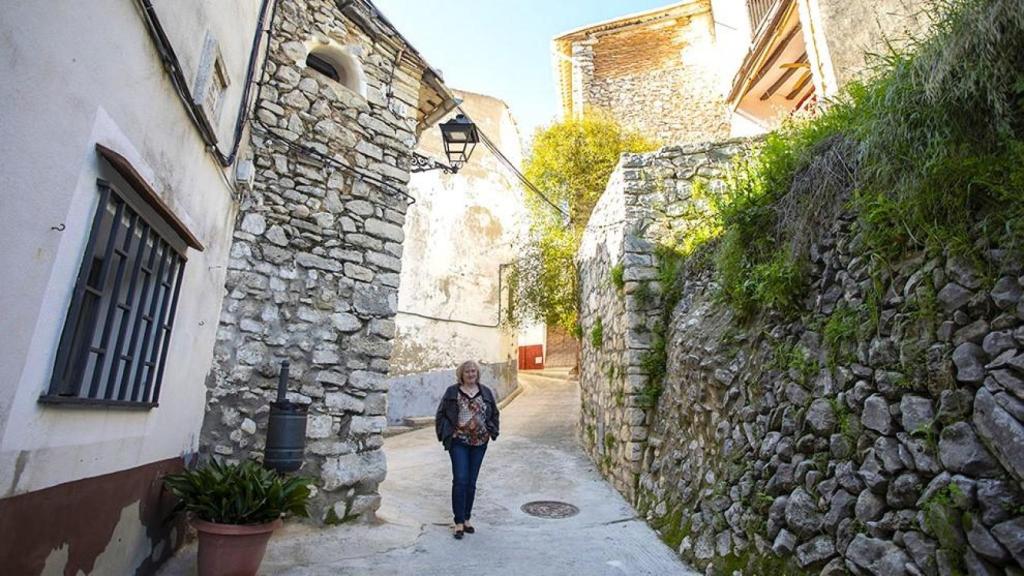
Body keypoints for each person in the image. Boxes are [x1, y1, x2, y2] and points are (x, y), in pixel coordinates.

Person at [434, 360, 500, 539]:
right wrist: (448, 434)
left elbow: (494, 413)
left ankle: (467, 518)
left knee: (471, 482)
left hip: (480, 442)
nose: (471, 374)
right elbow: (441, 415)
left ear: (477, 374)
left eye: (473, 371)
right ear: (461, 375)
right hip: (459, 442)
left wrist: (491, 430)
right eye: (467, 372)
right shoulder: (452, 392)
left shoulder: (485, 391)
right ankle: (458, 522)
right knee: (461, 479)